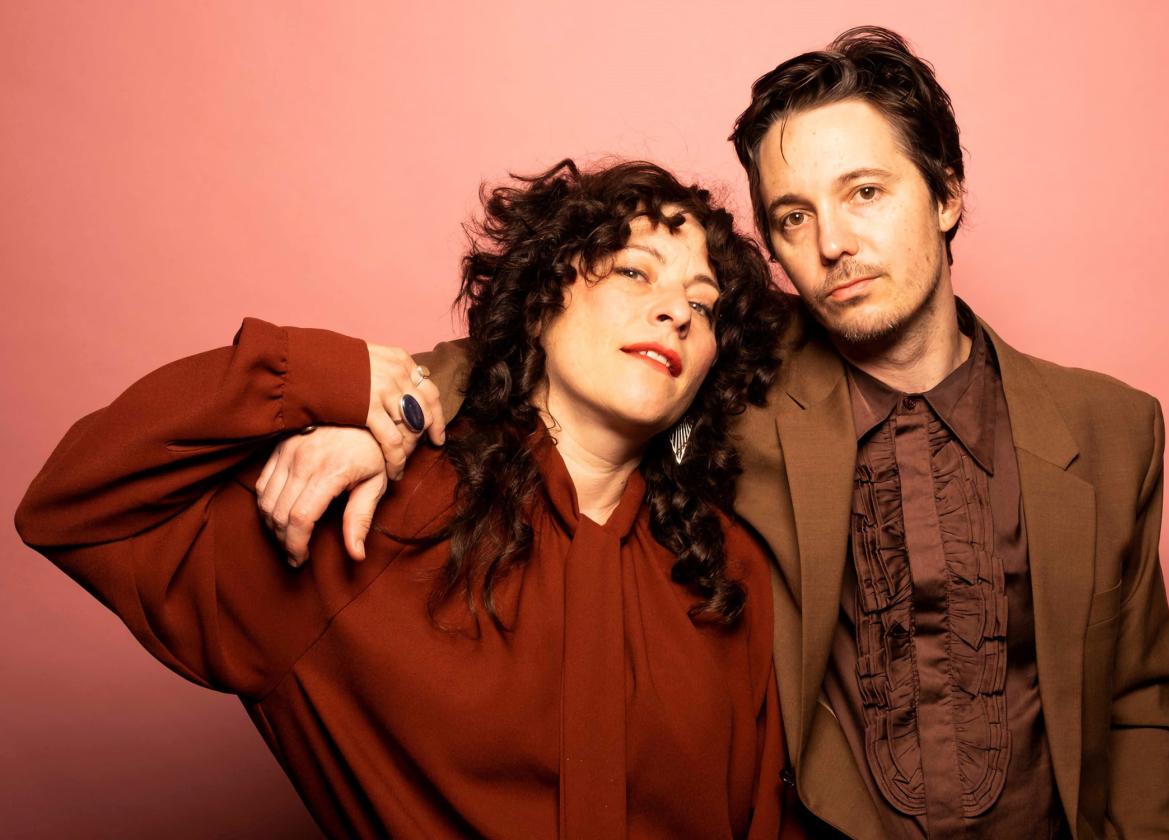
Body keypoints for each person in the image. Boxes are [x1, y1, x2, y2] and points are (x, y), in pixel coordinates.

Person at [258, 27, 1169, 840]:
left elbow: (1141, 707)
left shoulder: (1110, 428)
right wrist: (396, 412)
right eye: (794, 216)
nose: (831, 242)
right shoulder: (724, 380)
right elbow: (544, 344)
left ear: (948, 194)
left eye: (865, 193)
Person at [15, 159, 801, 838]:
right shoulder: (379, 515)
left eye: (703, 305)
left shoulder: (724, 575)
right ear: (541, 295)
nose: (676, 311)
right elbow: (76, 503)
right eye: (635, 271)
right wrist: (333, 378)